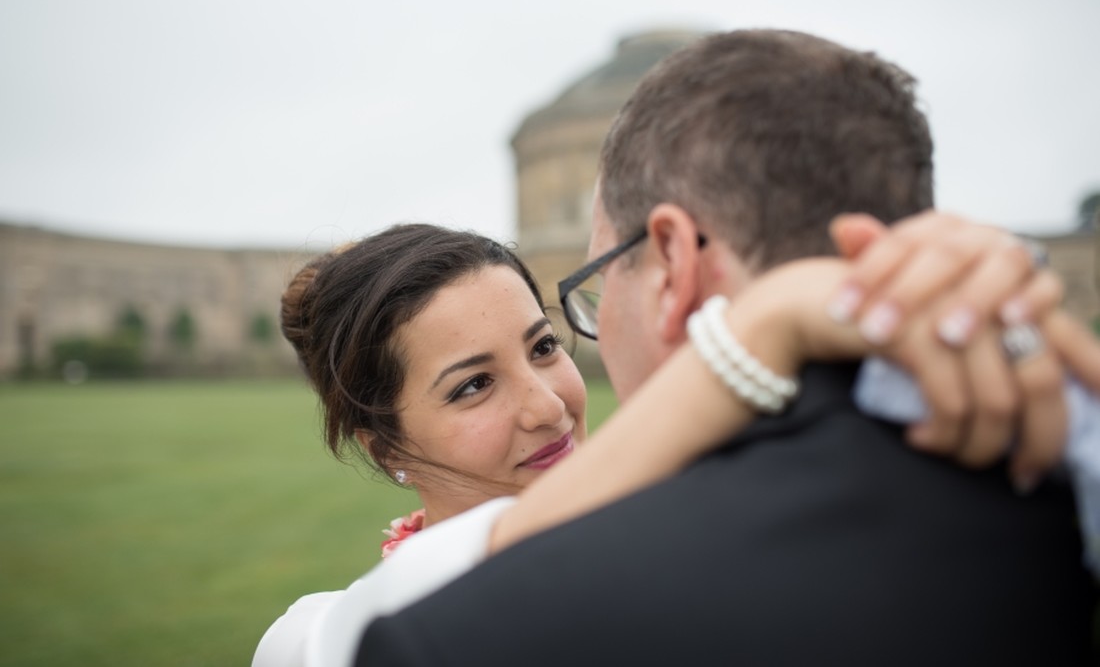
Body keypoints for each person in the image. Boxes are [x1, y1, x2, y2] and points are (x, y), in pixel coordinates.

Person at [347, 30, 1100, 665]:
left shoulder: (479, 631)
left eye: (600, 281)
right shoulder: (1068, 466)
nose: (553, 398)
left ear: (673, 263)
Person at [254, 216, 1076, 667]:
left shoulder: (698, 544)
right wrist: (763, 327)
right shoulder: (312, 639)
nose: (549, 405)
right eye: (473, 385)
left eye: (544, 348)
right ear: (383, 445)